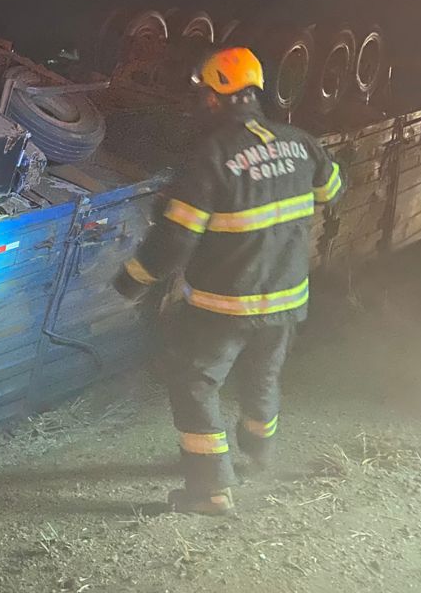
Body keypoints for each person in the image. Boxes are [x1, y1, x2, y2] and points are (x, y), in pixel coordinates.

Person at [113, 46, 343, 515]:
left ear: (218, 97)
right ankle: (258, 455)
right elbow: (333, 189)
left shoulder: (210, 158)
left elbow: (175, 240)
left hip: (225, 305)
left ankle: (211, 491)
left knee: (196, 383)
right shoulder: (301, 141)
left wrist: (133, 279)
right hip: (287, 299)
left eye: (204, 94)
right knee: (264, 375)